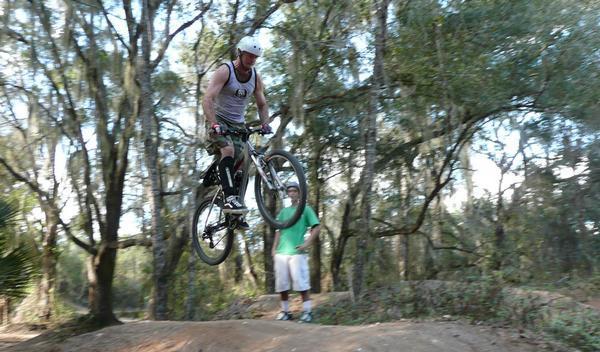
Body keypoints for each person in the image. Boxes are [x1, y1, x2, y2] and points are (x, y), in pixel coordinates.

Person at [202, 36, 272, 215]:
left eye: (255, 57)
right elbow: (208, 98)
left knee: (242, 170)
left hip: (238, 123)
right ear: (240, 53)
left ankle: (236, 212)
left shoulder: (255, 77)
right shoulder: (225, 71)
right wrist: (213, 123)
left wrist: (265, 124)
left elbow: (262, 104)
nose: (252, 60)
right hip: (217, 118)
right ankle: (230, 199)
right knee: (228, 150)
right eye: (249, 56)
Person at [272, 182, 321, 323]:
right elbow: (278, 230)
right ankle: (285, 312)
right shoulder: (283, 212)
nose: (292, 193)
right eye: (290, 191)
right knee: (282, 284)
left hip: (297, 253)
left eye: (294, 191)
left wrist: (306, 244)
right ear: (287, 194)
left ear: (299, 193)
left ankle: (307, 312)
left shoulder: (306, 209)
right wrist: (273, 248)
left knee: (301, 283)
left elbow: (316, 227)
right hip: (281, 253)